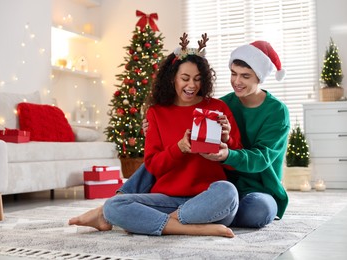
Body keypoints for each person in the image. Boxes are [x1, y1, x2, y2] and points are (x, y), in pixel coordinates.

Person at [69, 33, 243, 238]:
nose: (192, 85)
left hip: (208, 202)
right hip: (167, 200)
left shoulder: (217, 107)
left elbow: (234, 162)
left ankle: (158, 223)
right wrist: (179, 148)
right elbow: (152, 165)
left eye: (197, 79)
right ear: (172, 78)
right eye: (185, 78)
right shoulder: (157, 113)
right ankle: (190, 228)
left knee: (228, 192)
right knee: (114, 206)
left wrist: (226, 141)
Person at [123, 40, 290, 229]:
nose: (237, 81)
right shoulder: (222, 104)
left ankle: (181, 215)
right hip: (223, 180)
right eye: (233, 74)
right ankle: (123, 200)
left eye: (245, 76)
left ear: (259, 77)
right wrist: (153, 128)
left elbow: (262, 158)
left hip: (254, 186)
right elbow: (185, 130)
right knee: (161, 157)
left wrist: (228, 151)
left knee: (258, 211)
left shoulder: (276, 111)